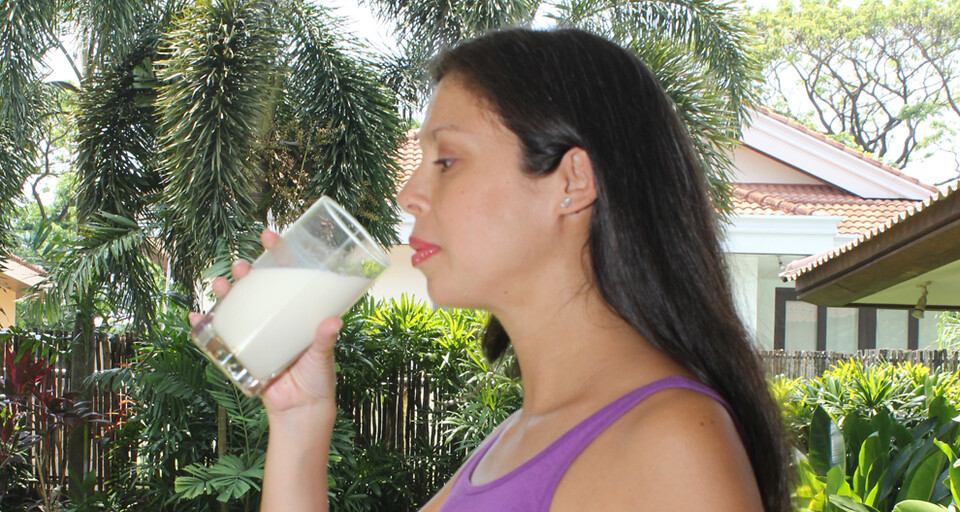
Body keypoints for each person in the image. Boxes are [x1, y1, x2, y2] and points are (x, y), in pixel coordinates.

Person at [193, 27, 792, 512]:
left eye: (447, 160)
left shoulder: (668, 445)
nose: (409, 194)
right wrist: (298, 423)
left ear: (572, 182)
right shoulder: (520, 439)